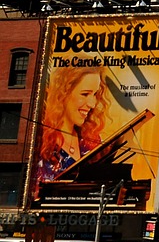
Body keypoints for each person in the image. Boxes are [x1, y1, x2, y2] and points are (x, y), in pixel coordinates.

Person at [36, 66, 112, 194]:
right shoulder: (39, 139)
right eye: (85, 94)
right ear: (63, 93)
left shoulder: (91, 140)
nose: (92, 104)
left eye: (95, 95)